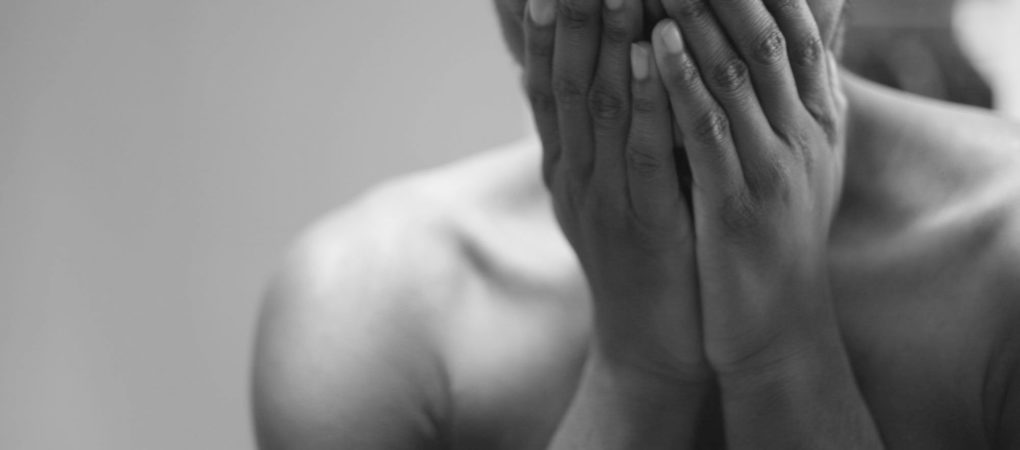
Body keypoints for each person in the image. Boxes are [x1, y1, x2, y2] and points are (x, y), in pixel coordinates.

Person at [251, 0, 1020, 448]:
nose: (658, 19)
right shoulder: (375, 307)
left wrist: (782, 347)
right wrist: (638, 370)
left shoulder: (999, 255)